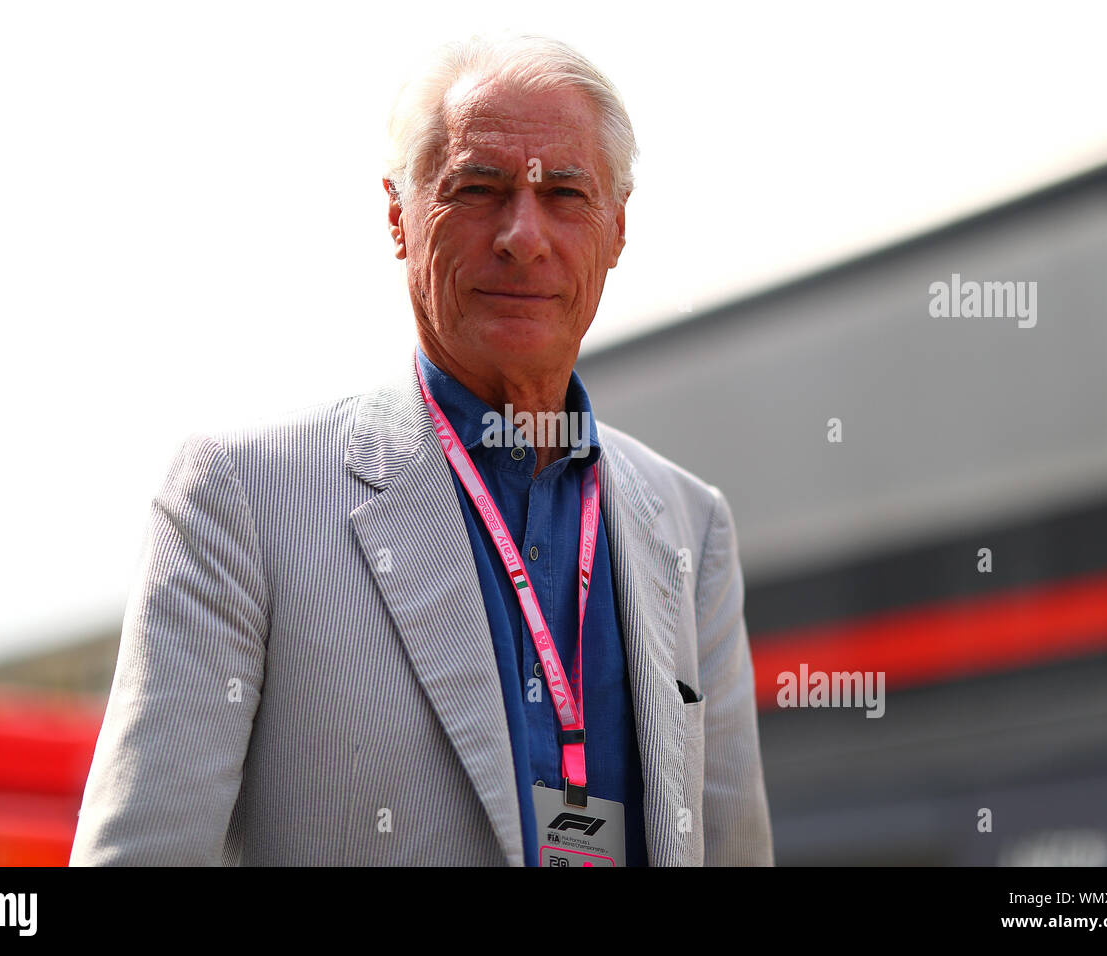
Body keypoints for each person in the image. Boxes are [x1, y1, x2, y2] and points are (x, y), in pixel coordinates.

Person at [70, 32, 773, 867]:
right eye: (478, 189)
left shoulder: (692, 526)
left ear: (618, 229)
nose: (522, 235)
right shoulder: (241, 500)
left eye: (567, 196)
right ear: (399, 218)